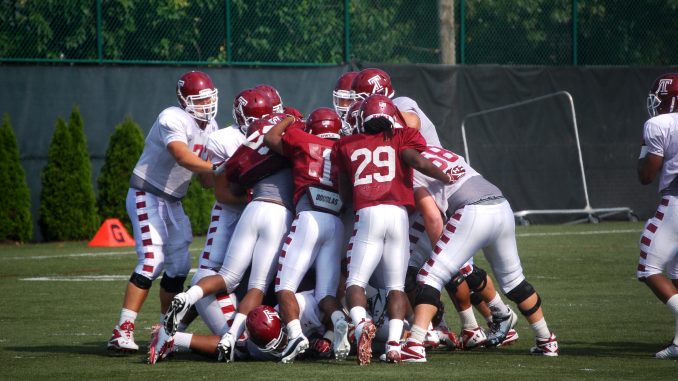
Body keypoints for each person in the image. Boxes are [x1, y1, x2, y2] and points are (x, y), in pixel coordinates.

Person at [400, 145, 559, 363]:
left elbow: (434, 217)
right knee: (514, 281)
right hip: (501, 204)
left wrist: (442, 255)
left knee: (429, 275)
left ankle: (415, 344)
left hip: (472, 211)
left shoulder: (411, 165)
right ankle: (546, 340)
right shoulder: (438, 150)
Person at [164, 112, 296, 364]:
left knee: (229, 276)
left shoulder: (246, 150)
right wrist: (293, 120)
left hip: (252, 208)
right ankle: (230, 335)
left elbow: (221, 181)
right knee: (258, 286)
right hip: (279, 213)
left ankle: (187, 297)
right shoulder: (291, 139)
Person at [331, 95, 453, 364]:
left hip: (369, 212)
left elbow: (345, 195)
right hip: (398, 214)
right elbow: (419, 161)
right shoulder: (401, 137)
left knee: (355, 280)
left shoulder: (345, 145)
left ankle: (362, 324)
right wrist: (446, 177)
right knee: (396, 285)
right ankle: (395, 345)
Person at [107, 70, 222, 353]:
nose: (206, 105)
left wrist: (233, 176)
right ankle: (122, 329)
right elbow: (181, 155)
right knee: (152, 259)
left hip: (172, 200)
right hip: (146, 194)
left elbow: (207, 179)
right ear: (184, 100)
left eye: (209, 98)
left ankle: (165, 330)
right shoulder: (172, 117)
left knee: (180, 266)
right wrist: (219, 168)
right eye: (199, 99)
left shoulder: (212, 127)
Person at [263, 107, 351, 362]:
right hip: (336, 223)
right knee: (326, 294)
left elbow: (270, 138)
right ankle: (338, 322)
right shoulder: (344, 146)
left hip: (309, 218)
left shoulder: (303, 138)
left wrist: (291, 119)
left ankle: (295, 336)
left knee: (284, 286)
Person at [148, 291, 331, 363]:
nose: (283, 346)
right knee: (237, 345)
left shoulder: (306, 306)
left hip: (246, 290)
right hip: (216, 289)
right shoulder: (258, 339)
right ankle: (170, 336)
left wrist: (327, 338)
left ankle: (171, 334)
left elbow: (332, 308)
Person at [637, 72, 678, 359]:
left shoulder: (659, 123)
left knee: (648, 268)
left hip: (676, 201)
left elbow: (647, 175)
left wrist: (643, 151)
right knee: (676, 273)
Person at [350, 68, 441, 146]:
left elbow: (413, 124)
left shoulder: (401, 102)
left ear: (379, 93)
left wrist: (384, 116)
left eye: (360, 98)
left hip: (431, 159)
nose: (357, 103)